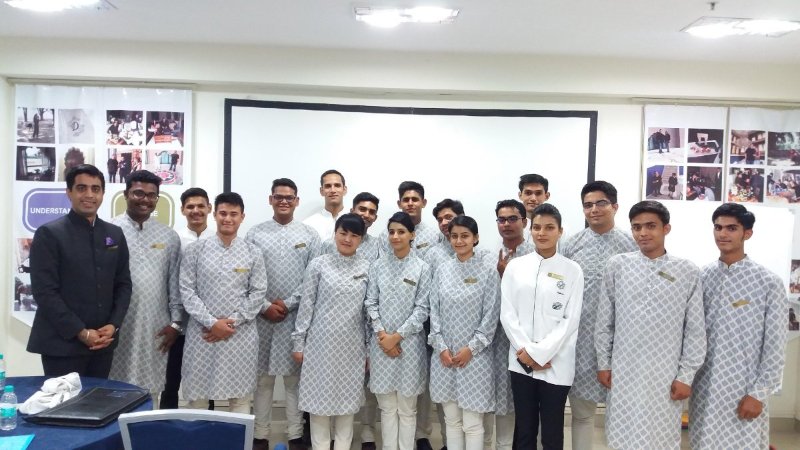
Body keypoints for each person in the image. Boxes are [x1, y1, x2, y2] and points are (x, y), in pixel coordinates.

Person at [595, 200, 706, 450]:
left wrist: (686, 375)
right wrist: (604, 363)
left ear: (666, 228)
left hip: (665, 374)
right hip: (624, 371)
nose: (643, 233)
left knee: (661, 437)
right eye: (636, 227)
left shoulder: (687, 271)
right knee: (621, 435)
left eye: (650, 226)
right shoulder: (618, 265)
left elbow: (695, 331)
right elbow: (605, 321)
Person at [689, 203, 787, 449]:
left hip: (744, 388)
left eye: (731, 228)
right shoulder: (701, 277)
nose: (723, 234)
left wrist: (759, 393)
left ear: (747, 233)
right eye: (718, 227)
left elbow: (775, 346)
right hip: (704, 388)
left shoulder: (768, 282)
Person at [27, 164, 132, 377]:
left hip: (103, 343)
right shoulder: (49, 234)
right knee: (64, 399)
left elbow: (123, 284)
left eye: (95, 189)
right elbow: (44, 292)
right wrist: (81, 332)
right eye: (82, 188)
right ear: (69, 192)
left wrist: (113, 325)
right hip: (61, 344)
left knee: (99, 399)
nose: (89, 195)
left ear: (102, 194)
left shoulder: (114, 234)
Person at [558, 181, 636, 450]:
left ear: (615, 206)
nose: (594, 210)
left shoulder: (632, 244)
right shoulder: (571, 245)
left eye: (600, 203)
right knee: (582, 413)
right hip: (580, 342)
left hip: (621, 342)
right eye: (588, 205)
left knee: (620, 414)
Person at [500, 204, 583, 450]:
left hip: (556, 362)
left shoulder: (572, 270)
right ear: (530, 230)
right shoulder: (515, 266)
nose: (542, 233)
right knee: (524, 429)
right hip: (520, 361)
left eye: (549, 228)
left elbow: (570, 319)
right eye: (537, 227)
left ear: (560, 231)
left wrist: (540, 353)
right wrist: (527, 353)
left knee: (552, 431)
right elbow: (508, 314)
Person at [246, 178, 321, 450]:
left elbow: (313, 279)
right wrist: (265, 305)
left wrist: (288, 304)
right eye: (279, 196)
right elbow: (247, 276)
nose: (284, 201)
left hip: (295, 319)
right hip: (261, 318)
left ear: (297, 201)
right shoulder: (254, 234)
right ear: (271, 199)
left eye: (289, 197)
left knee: (293, 382)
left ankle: (295, 436)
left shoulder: (310, 235)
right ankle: (260, 436)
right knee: (263, 381)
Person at [180, 192, 267, 413]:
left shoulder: (253, 252)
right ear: (214, 214)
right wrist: (212, 323)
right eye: (223, 213)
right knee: (198, 399)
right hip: (202, 334)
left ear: (242, 217)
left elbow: (258, 292)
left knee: (240, 399)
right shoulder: (195, 250)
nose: (228, 219)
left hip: (240, 335)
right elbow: (187, 291)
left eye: (233, 214)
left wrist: (231, 323)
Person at [292, 213, 371, 450]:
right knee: (318, 408)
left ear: (361, 239)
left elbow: (369, 313)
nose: (347, 239)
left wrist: (369, 350)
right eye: (343, 233)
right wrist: (299, 342)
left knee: (346, 408)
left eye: (354, 235)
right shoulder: (319, 264)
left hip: (352, 348)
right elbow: (306, 305)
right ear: (335, 234)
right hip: (319, 347)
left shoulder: (368, 267)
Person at [109, 170, 181, 405]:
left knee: (151, 390)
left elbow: (174, 283)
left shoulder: (168, 236)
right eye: (138, 193)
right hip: (117, 323)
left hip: (156, 325)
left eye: (152, 195)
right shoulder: (109, 231)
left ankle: (146, 427)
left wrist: (176, 323)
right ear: (126, 194)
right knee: (113, 388)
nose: (145, 200)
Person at [429, 216, 500, 450]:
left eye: (465, 236)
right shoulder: (442, 270)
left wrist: (471, 348)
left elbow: (491, 316)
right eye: (454, 236)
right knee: (452, 421)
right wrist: (440, 347)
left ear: (475, 238)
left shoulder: (488, 272)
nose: (459, 241)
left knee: (472, 424)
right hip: (445, 357)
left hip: (475, 358)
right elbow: (434, 311)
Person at [365, 212, 432, 450]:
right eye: (392, 231)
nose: (395, 236)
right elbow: (371, 303)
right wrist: (383, 335)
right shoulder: (378, 266)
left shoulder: (422, 268)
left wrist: (396, 337)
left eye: (401, 232)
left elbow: (422, 309)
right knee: (386, 408)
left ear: (412, 235)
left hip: (409, 347)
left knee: (407, 409)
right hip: (381, 345)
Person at [484, 199, 534, 450]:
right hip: (492, 338)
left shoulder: (537, 255)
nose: (506, 224)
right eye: (501, 219)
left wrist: (507, 276)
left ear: (524, 222)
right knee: (494, 397)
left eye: (512, 219)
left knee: (522, 402)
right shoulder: (487, 254)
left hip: (526, 339)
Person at [160, 187, 216, 410]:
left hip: (208, 323)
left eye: (201, 206)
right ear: (182, 210)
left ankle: (208, 425)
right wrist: (174, 320)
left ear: (209, 208)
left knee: (209, 382)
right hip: (178, 323)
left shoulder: (219, 238)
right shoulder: (174, 239)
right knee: (170, 379)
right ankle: (167, 425)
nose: (196, 211)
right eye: (190, 206)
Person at [380, 181, 441, 260]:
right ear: (399, 204)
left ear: (424, 203)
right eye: (406, 200)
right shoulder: (385, 236)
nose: (410, 203)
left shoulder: (434, 236)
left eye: (415, 199)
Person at [321, 192, 381, 261]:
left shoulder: (377, 246)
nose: (366, 215)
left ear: (375, 218)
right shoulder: (329, 244)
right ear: (352, 211)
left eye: (372, 212)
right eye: (362, 209)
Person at [303, 169, 348, 240]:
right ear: (321, 191)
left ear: (344, 190)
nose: (333, 190)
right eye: (328, 186)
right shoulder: (308, 224)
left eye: (337, 185)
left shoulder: (357, 221)